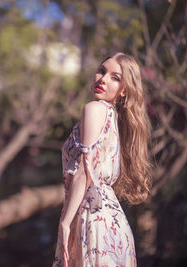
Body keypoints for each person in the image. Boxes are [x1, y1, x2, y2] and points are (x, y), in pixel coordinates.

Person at [52, 52, 152, 267]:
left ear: (125, 90)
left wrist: (66, 222)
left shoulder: (94, 109)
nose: (103, 79)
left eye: (115, 77)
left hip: (93, 222)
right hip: (112, 225)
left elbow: (83, 172)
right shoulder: (112, 118)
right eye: (102, 71)